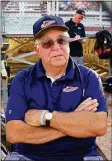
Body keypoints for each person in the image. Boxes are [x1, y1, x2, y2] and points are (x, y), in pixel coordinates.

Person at [5, 15, 107, 161]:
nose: (57, 47)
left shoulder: (89, 77)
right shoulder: (22, 79)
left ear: (68, 43)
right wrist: (75, 120)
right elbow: (14, 133)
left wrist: (45, 117)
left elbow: (99, 126)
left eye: (61, 40)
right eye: (47, 43)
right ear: (37, 49)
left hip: (80, 155)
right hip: (29, 156)